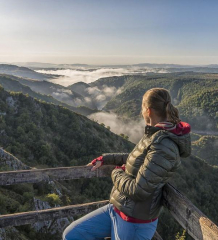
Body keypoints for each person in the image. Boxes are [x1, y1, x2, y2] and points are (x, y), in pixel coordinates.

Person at [63, 88, 191, 240]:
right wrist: (106, 159)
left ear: (148, 111)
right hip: (118, 209)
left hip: (135, 222)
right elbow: (134, 158)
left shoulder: (164, 146)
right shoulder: (156, 135)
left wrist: (115, 172)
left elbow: (139, 190)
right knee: (72, 235)